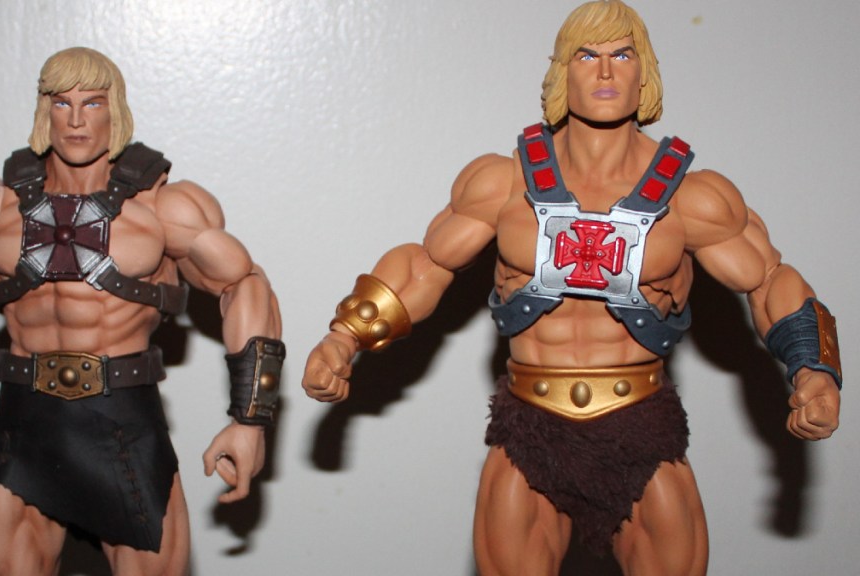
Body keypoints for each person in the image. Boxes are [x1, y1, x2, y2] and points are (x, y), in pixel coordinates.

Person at [302, 1, 841, 574]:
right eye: (587, 56)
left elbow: (769, 280)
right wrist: (343, 338)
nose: (605, 71)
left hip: (641, 424)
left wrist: (814, 371)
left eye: (622, 55)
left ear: (645, 73)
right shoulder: (502, 182)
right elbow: (424, 266)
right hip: (529, 425)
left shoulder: (694, 196)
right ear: (562, 73)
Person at [0, 47, 284, 576]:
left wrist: (249, 421)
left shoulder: (164, 208)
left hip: (124, 423)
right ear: (43, 111)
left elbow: (245, 286)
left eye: (92, 103)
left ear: (115, 110)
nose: (75, 119)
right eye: (61, 103)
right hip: (26, 421)